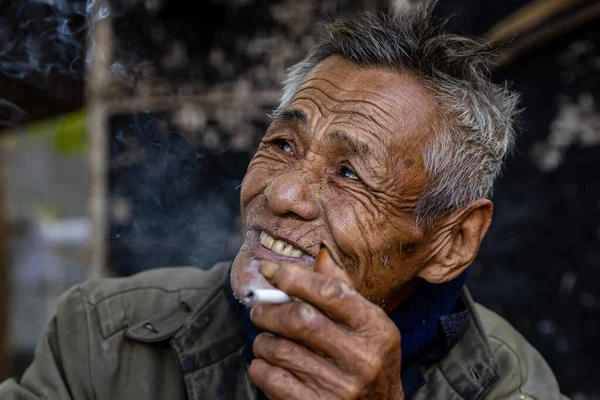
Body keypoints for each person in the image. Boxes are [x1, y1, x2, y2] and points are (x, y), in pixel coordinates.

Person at [0, 4, 568, 400]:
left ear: (452, 241)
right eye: (282, 144)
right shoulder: (103, 335)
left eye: (349, 172)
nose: (282, 192)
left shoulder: (514, 386)